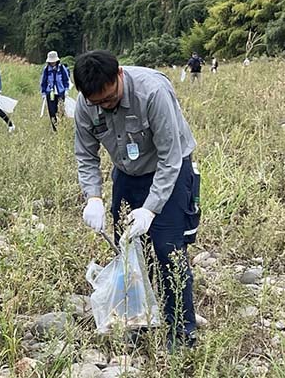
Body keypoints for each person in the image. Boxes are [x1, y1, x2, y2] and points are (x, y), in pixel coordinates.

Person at [73, 50, 200, 350]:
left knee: (168, 250)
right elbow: (86, 154)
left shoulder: (152, 92)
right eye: (98, 103)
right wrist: (93, 196)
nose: (105, 106)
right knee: (129, 251)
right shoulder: (86, 103)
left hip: (169, 168)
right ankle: (136, 319)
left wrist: (151, 209)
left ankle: (182, 332)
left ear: (119, 76)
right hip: (127, 174)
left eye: (110, 98)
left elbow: (171, 157)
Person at [40, 50, 71, 132]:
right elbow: (43, 82)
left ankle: (63, 128)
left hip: (60, 92)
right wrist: (43, 92)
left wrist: (66, 90)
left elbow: (66, 80)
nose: (52, 63)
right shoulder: (46, 70)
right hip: (50, 93)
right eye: (51, 61)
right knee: (52, 111)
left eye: (54, 61)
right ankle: (55, 129)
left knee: (61, 111)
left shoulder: (61, 68)